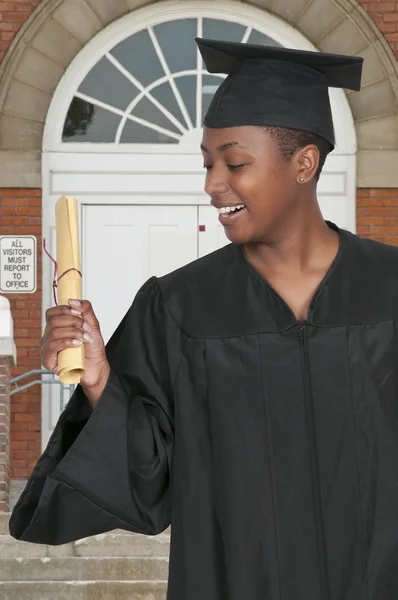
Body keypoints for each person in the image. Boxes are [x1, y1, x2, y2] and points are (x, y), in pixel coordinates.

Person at [8, 38, 398, 600]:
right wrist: (100, 381)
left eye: (235, 163)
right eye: (208, 163)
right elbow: (151, 478)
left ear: (304, 164)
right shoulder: (179, 306)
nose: (213, 184)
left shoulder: (388, 289)